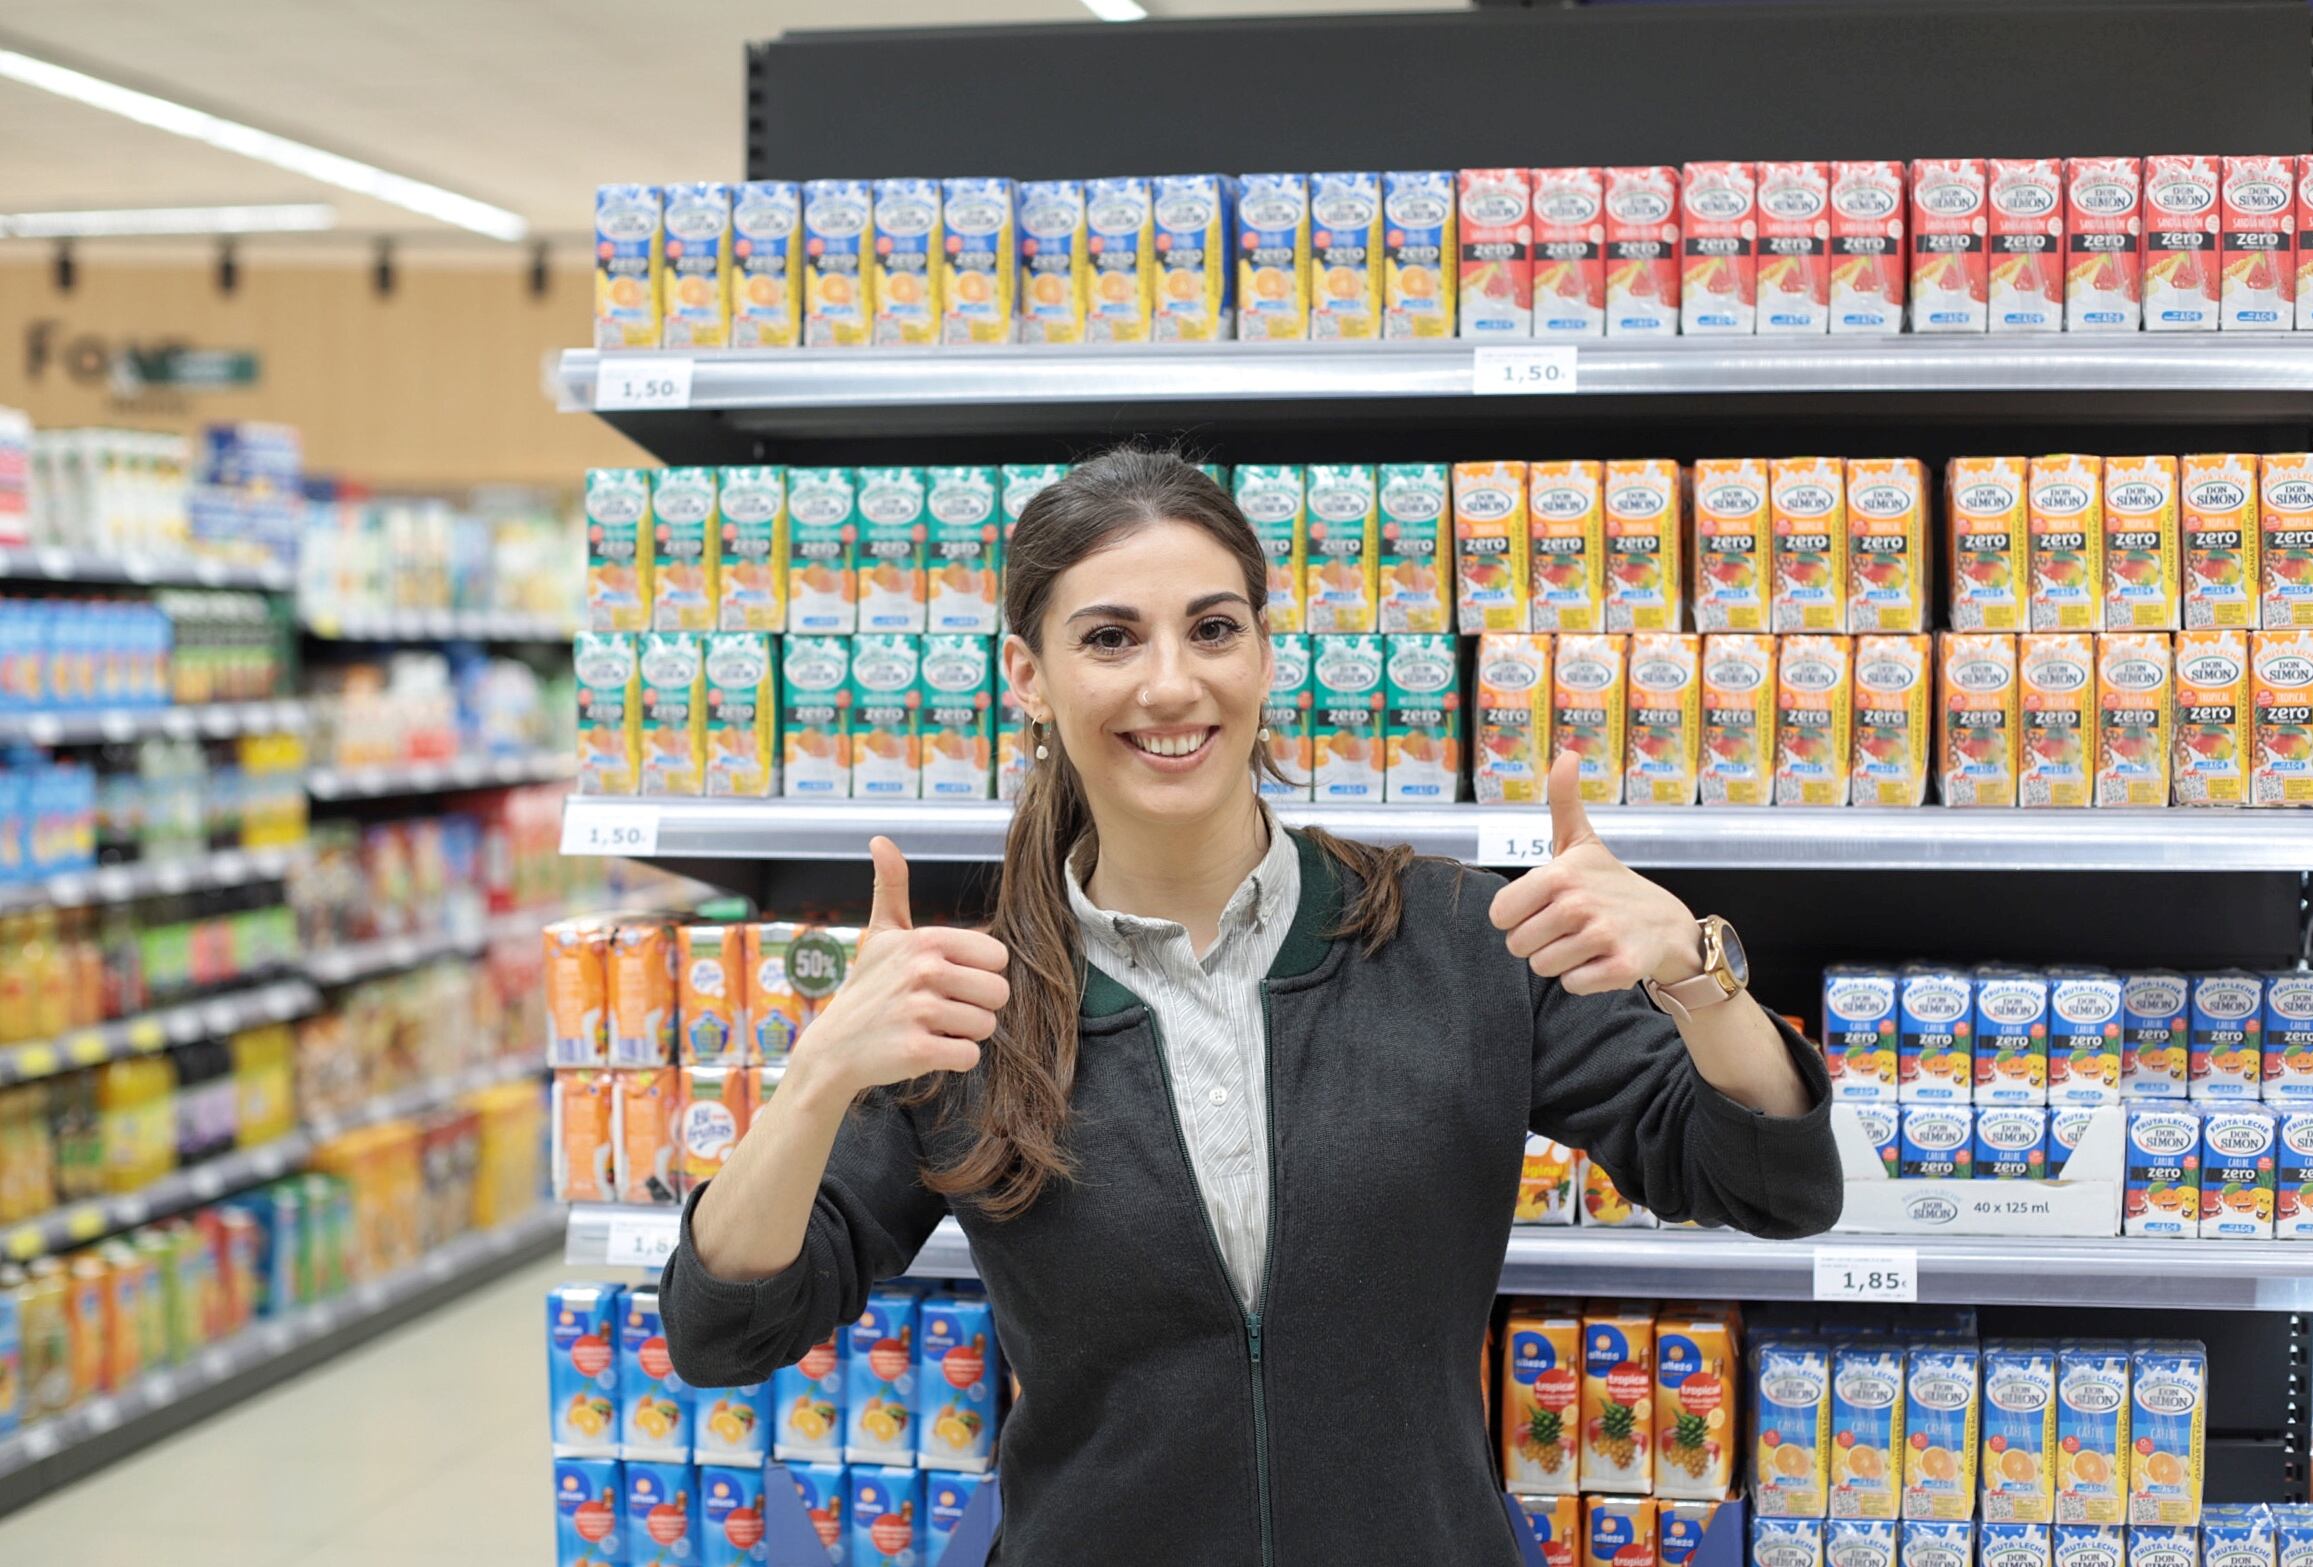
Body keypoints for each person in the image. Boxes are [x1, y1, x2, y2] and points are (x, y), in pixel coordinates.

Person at [662, 446, 1841, 1567]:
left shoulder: (1451, 940)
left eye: (1211, 628)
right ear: (1028, 677)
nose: (1170, 682)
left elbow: (1776, 1185)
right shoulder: (968, 1003)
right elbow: (727, 1329)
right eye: (1110, 637)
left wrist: (1693, 970)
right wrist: (818, 1078)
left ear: (1264, 655)